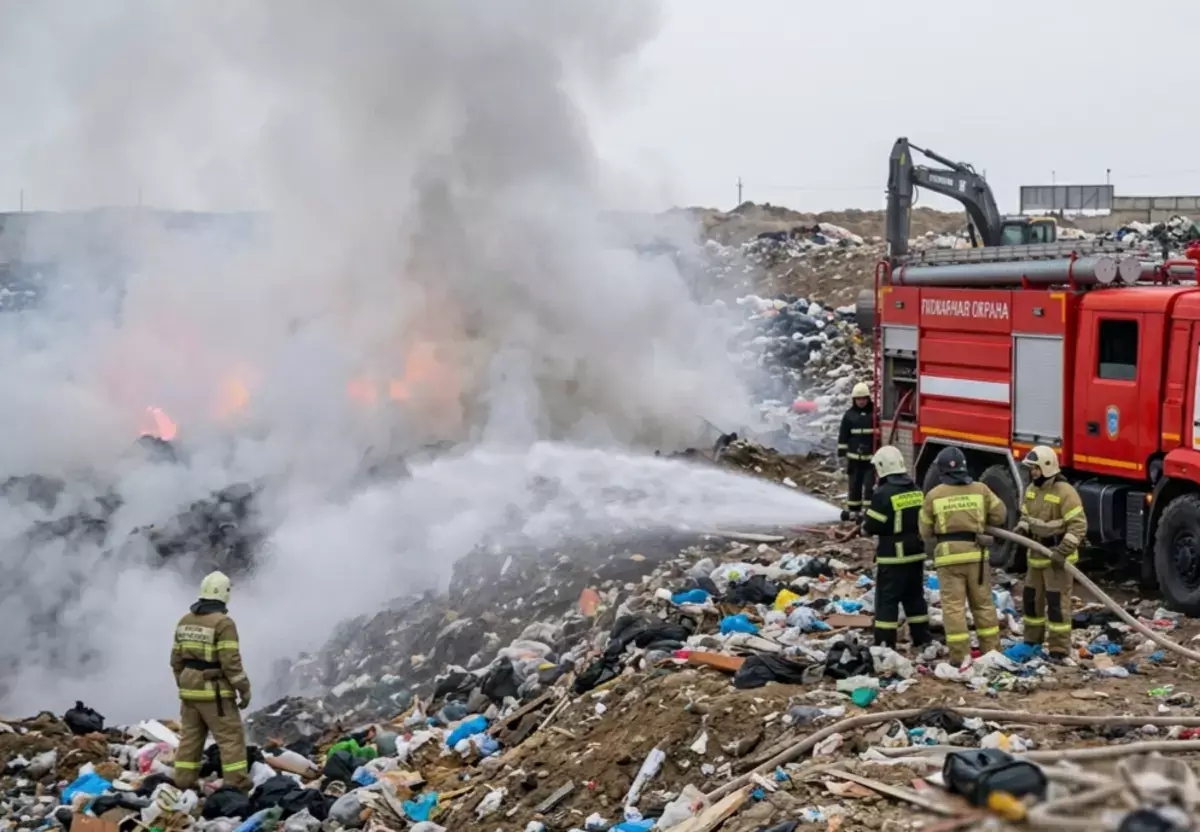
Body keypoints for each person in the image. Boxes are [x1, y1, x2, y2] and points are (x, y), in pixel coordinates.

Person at [919, 446, 1006, 663]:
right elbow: (1000, 515)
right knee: (984, 605)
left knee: (954, 608)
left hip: (948, 559)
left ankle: (960, 656)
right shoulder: (981, 489)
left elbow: (925, 531)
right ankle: (992, 653)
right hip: (976, 557)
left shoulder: (934, 495)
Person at [171, 571, 252, 792]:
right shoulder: (223, 623)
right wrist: (243, 689)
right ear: (224, 594)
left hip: (189, 691)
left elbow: (175, 660)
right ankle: (236, 784)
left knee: (190, 738)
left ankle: (183, 781)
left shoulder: (185, 620)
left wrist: (185, 683)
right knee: (230, 738)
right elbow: (230, 662)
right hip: (214, 692)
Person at [1010, 446, 1087, 661]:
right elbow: (1026, 514)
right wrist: (1023, 527)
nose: (1031, 473)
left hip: (1056, 559)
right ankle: (1031, 643)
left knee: (1057, 606)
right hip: (1036, 555)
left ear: (1046, 467)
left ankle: (1058, 651)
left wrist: (1062, 551)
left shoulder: (1065, 492)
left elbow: (1078, 526)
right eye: (1031, 469)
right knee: (1031, 600)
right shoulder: (1032, 490)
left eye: (1034, 469)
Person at [861, 445, 930, 649]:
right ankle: (922, 639)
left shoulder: (883, 493)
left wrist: (864, 525)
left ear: (882, 467)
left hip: (893, 558)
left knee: (887, 601)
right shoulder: (916, 490)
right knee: (915, 598)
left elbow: (871, 526)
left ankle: (884, 643)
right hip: (916, 554)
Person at [837, 381, 876, 521]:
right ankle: (854, 512)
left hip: (871, 461)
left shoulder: (875, 415)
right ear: (854, 399)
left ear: (868, 398)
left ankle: (868, 513)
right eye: (858, 399)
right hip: (854, 461)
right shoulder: (849, 416)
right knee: (854, 486)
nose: (861, 401)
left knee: (870, 487)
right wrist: (842, 455)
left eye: (864, 398)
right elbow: (843, 436)